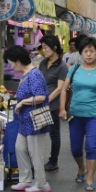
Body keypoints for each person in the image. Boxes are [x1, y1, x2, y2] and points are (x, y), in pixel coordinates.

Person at [59, 37, 96, 192]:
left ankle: (90, 177)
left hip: (94, 116)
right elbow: (64, 89)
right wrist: (62, 108)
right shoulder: (74, 69)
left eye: (92, 51)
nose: (89, 54)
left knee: (91, 147)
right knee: (75, 149)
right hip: (75, 115)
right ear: (81, 53)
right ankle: (81, 167)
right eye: (85, 51)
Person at [3, 46, 52, 192]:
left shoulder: (34, 75)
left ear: (19, 62)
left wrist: (23, 102)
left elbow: (41, 97)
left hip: (35, 120)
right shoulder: (26, 74)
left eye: (11, 63)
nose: (11, 66)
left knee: (35, 153)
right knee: (20, 148)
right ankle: (25, 179)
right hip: (25, 121)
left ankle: (42, 183)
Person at [38, 35, 69, 173]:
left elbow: (60, 89)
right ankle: (37, 159)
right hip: (40, 102)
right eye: (43, 47)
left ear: (55, 47)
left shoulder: (62, 66)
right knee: (38, 133)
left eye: (46, 47)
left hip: (52, 105)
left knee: (54, 134)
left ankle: (53, 161)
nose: (43, 50)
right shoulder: (43, 63)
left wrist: (46, 100)